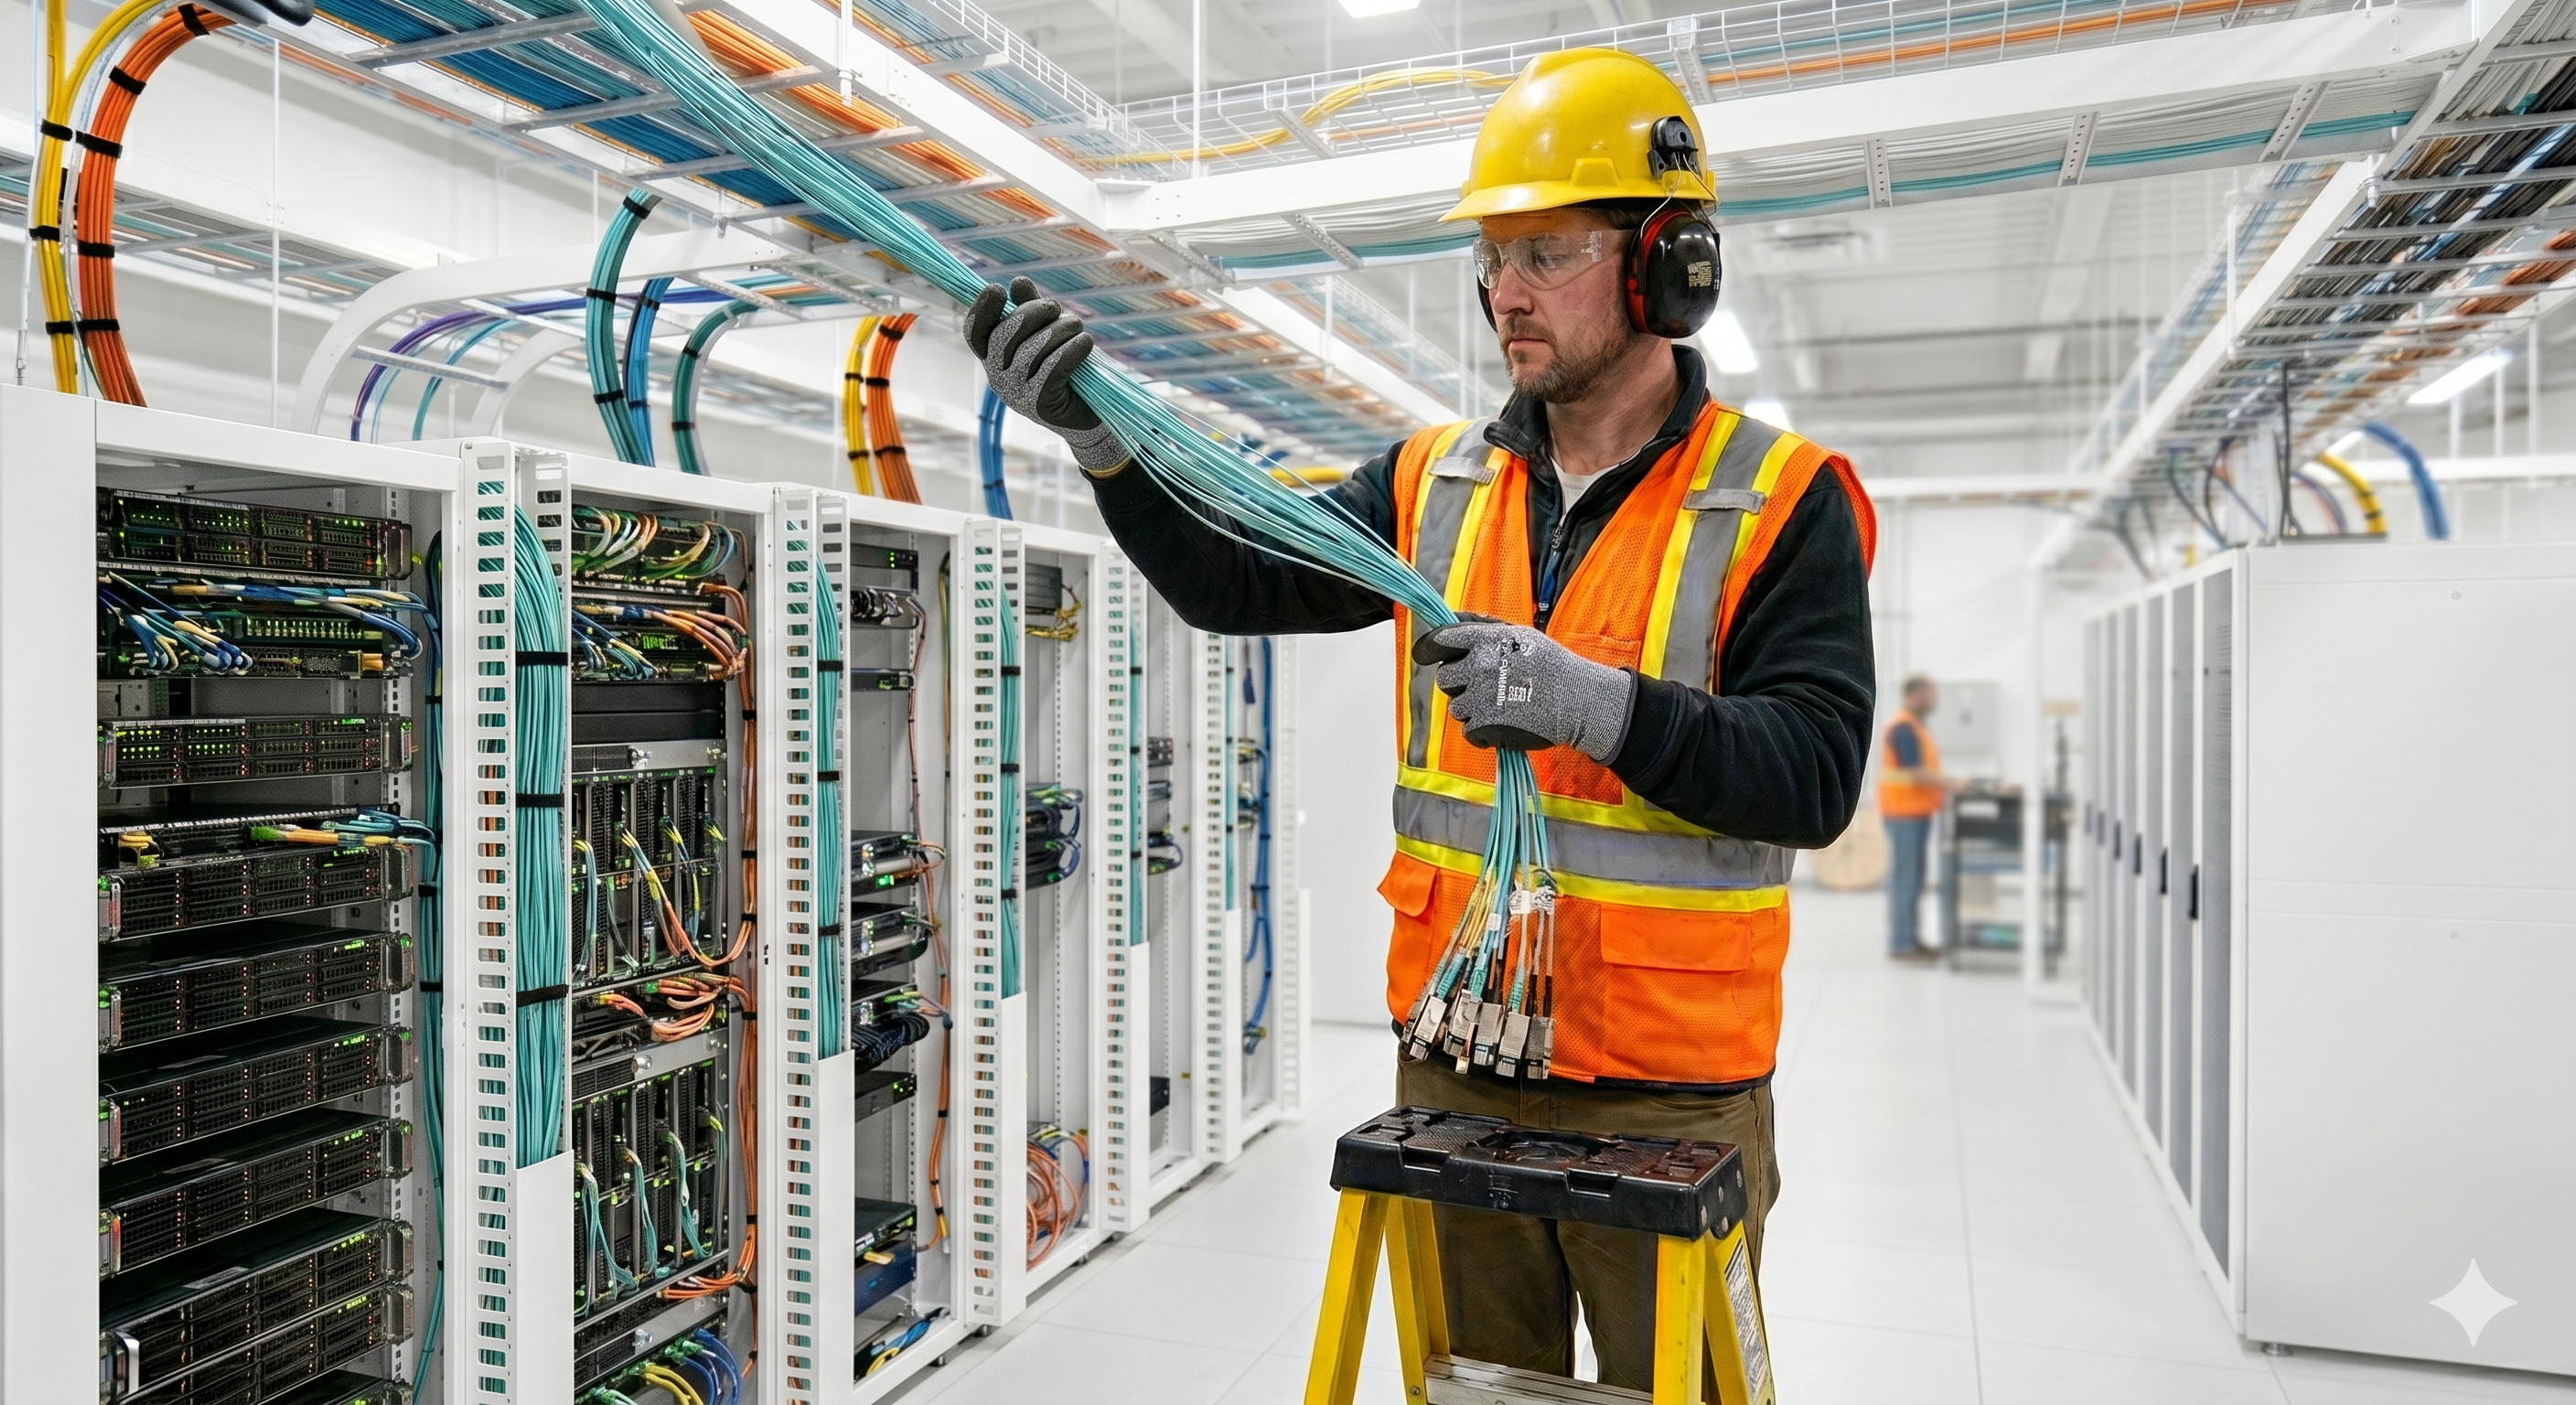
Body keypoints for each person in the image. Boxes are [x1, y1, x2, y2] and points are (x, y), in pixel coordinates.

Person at [960, 48, 1875, 1396]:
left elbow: (1812, 773)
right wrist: (1106, 448)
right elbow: (1235, 576)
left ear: (1665, 267)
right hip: (1462, 1061)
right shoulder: (1432, 483)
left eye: (1546, 253)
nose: (1505, 292)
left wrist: (1588, 704)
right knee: (1475, 1387)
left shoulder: (1779, 498)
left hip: (1674, 1085)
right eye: (1492, 257)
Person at [1879, 675, 1950, 960]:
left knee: (1912, 880)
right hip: (1904, 814)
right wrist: (1954, 784)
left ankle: (1910, 940)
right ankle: (1903, 945)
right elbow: (1915, 772)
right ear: (1917, 695)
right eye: (1931, 694)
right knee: (1906, 881)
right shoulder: (1905, 728)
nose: (1935, 700)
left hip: (1914, 812)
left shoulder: (1913, 725)